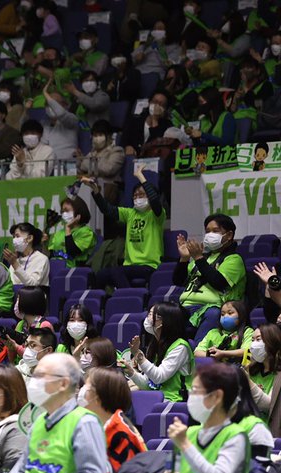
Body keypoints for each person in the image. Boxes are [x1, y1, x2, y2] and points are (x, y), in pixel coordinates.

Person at [9, 353, 110, 473]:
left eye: (40, 375)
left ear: (63, 384)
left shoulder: (85, 422)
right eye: (34, 376)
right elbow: (19, 470)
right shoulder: (38, 422)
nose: (34, 382)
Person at [168, 363, 250, 473]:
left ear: (217, 396)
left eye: (195, 390)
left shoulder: (235, 436)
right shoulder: (189, 432)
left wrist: (185, 444)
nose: (191, 396)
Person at [87, 165, 164, 289]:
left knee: (117, 272)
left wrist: (140, 177)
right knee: (100, 275)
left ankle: (130, 296)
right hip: (129, 265)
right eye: (135, 196)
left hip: (149, 265)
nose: (137, 198)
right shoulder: (130, 214)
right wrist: (96, 191)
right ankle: (107, 301)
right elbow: (107, 210)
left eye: (141, 195)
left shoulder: (157, 215)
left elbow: (155, 200)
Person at [174, 214, 247, 342]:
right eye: (207, 231)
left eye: (215, 231)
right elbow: (178, 281)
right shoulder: (203, 258)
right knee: (161, 311)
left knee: (213, 313)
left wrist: (198, 258)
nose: (210, 235)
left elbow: (219, 282)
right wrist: (184, 259)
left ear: (229, 235)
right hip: (184, 308)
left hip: (211, 308)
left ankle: (198, 350)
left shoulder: (234, 259)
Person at [79, 367, 146, 473]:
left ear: (98, 397)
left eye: (86, 387)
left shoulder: (120, 432)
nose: (81, 392)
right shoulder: (97, 423)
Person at [125, 302, 193, 403]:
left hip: (174, 401)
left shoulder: (180, 347)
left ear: (163, 322)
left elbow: (158, 377)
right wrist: (131, 372)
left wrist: (139, 355)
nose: (147, 318)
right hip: (156, 398)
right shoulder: (155, 344)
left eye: (151, 315)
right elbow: (148, 385)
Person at [246, 324, 281, 436]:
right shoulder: (251, 370)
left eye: (258, 339)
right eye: (252, 340)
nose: (253, 344)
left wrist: (247, 381)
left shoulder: (278, 375)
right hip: (246, 429)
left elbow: (269, 406)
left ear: (272, 342)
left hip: (269, 433)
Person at [46, 197, 96, 269]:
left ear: (78, 212)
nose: (64, 214)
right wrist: (42, 242)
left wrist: (68, 229)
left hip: (74, 272)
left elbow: (72, 252)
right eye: (62, 211)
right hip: (55, 270)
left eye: (66, 210)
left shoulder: (86, 232)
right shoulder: (59, 233)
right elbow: (50, 254)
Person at [5, 223, 49, 287]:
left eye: (17, 236)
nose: (14, 240)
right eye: (13, 237)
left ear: (29, 238)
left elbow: (32, 285)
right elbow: (10, 283)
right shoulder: (16, 259)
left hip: (35, 293)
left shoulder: (41, 259)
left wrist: (15, 264)